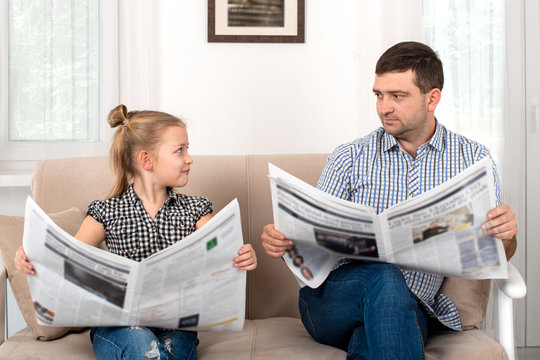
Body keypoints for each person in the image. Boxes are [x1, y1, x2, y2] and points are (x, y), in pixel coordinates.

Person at [261, 41, 517, 359]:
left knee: (374, 337)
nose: (384, 107)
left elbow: (498, 253)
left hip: (411, 307)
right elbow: (314, 238)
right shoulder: (350, 157)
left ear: (432, 98)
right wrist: (285, 241)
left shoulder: (472, 159)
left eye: (397, 96)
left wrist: (506, 236)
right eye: (379, 95)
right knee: (384, 275)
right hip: (332, 302)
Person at [15, 104, 257, 360]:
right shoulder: (106, 211)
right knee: (142, 346)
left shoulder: (196, 210)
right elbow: (68, 261)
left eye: (188, 149)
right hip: (119, 328)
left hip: (176, 327)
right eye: (179, 150)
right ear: (146, 160)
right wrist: (30, 257)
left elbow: (224, 253)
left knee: (171, 349)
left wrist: (243, 255)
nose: (189, 158)